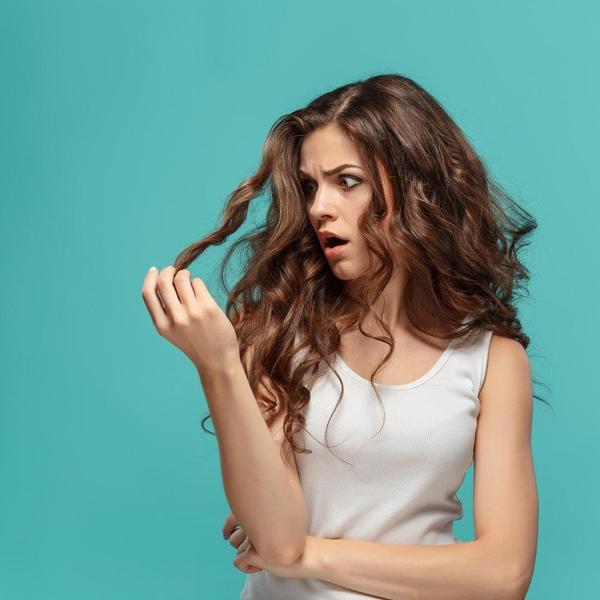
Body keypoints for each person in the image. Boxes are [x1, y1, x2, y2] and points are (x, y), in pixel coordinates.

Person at [141, 73, 542, 599]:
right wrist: (218, 366)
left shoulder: (492, 359)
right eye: (310, 186)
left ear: (416, 186)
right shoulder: (279, 333)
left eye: (347, 181)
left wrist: (314, 555)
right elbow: (277, 542)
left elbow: (504, 575)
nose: (318, 208)